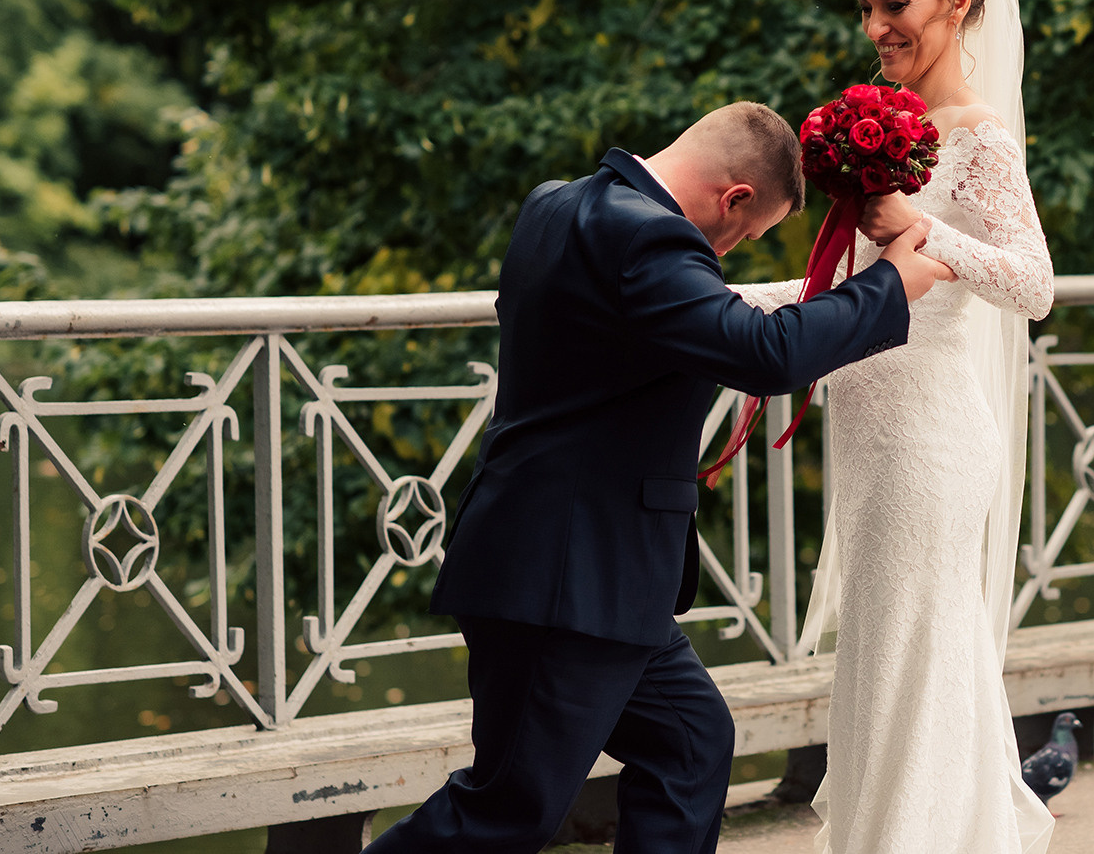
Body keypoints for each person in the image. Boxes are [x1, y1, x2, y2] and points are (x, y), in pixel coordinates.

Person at [367, 102, 954, 854]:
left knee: (690, 745)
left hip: (591, 568)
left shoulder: (555, 205)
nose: (733, 252)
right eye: (747, 234)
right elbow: (763, 354)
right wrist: (891, 285)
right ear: (735, 197)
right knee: (507, 808)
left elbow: (652, 330)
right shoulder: (648, 236)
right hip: (568, 575)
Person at [737, 0, 1055, 853]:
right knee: (893, 655)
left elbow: (1033, 285)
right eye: (868, 9)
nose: (876, 28)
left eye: (894, 5)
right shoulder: (896, 130)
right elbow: (849, 284)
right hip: (873, 432)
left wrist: (924, 231)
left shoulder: (981, 137)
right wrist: (715, 300)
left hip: (931, 436)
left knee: (914, 653)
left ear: (956, 3)